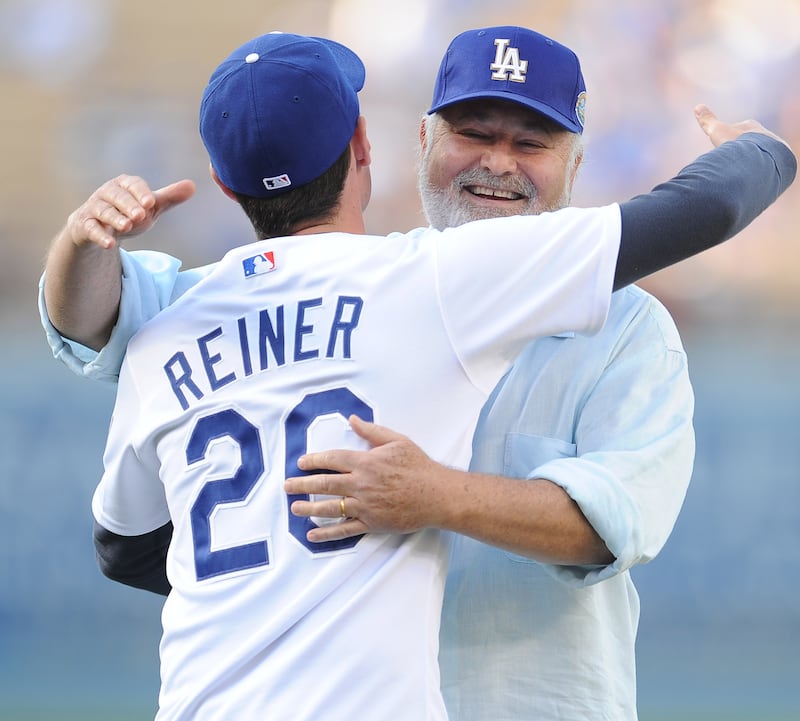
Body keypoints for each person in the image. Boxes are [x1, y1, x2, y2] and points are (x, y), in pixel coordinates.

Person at [39, 28, 795, 721]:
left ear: (577, 163)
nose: (498, 161)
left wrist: (435, 496)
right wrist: (762, 151)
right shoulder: (403, 280)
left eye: (532, 140)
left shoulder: (628, 328)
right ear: (404, 140)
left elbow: (614, 526)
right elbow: (93, 315)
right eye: (474, 132)